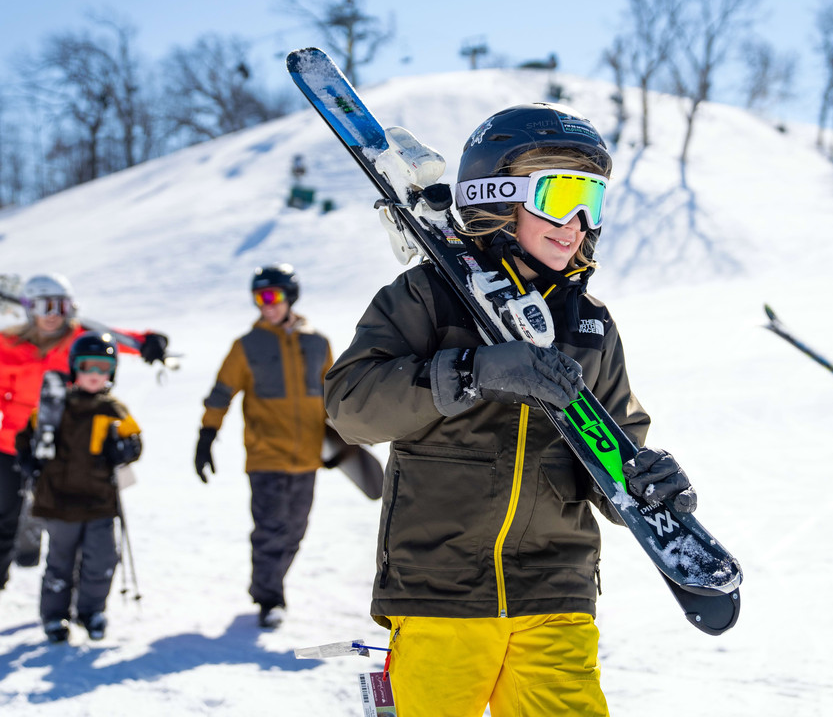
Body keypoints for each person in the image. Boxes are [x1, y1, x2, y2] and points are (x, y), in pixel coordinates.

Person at [324, 103, 697, 717]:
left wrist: (641, 484)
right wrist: (472, 372)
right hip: (440, 593)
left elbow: (612, 443)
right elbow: (350, 406)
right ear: (496, 197)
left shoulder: (590, 325)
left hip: (556, 593)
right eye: (560, 196)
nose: (576, 223)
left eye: (592, 201)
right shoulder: (428, 297)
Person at [0, 273, 167, 594]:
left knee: (69, 516)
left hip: (67, 445)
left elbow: (114, 343)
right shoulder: (7, 345)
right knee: (4, 514)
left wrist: (148, 342)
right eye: (44, 306)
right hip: (13, 442)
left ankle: (71, 589)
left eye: (60, 306)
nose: (52, 315)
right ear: (29, 309)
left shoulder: (78, 339)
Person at [194, 263, 333, 629]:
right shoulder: (246, 346)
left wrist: (345, 440)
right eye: (259, 298)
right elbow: (221, 392)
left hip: (308, 457)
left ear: (291, 296)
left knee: (296, 531)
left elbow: (333, 396)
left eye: (273, 295)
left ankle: (265, 584)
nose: (266, 304)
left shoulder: (317, 343)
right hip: (265, 455)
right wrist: (206, 435)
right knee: (270, 529)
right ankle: (270, 598)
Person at [15, 332, 143, 642]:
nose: (95, 374)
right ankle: (54, 616)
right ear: (75, 368)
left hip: (100, 502)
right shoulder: (56, 406)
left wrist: (123, 449)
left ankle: (91, 611)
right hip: (59, 501)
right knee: (60, 562)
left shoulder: (114, 409)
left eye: (103, 367)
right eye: (88, 367)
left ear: (112, 371)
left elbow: (135, 442)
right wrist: (30, 460)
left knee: (102, 559)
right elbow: (26, 437)